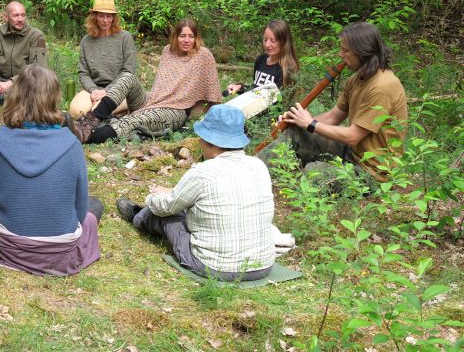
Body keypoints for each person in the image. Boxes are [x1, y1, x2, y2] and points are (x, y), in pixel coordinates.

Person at [0, 65, 103, 276]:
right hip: (61, 251)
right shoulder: (72, 144)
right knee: (94, 206)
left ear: (15, 96)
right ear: (53, 98)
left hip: (7, 248)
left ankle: (12, 241)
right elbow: (81, 212)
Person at [116, 104, 275, 282]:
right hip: (263, 265)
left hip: (215, 267)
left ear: (209, 141)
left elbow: (166, 207)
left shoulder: (203, 172)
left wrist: (153, 197)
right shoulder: (258, 165)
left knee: (167, 216)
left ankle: (138, 216)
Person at [259, 21, 407, 183]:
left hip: (373, 170)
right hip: (352, 152)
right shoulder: (357, 78)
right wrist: (298, 120)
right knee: (295, 132)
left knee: (312, 175)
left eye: (345, 50)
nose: (340, 55)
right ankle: (254, 171)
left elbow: (352, 136)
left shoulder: (382, 87)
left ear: (363, 52)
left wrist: (311, 123)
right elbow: (334, 116)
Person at [75, 18, 222, 144]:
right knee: (128, 78)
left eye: (191, 36)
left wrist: (201, 117)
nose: (187, 40)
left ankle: (88, 136)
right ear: (176, 36)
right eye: (183, 36)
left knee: (134, 119)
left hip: (176, 111)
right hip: (152, 101)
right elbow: (162, 86)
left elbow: (212, 91)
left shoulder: (203, 55)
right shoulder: (168, 51)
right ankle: (90, 121)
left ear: (196, 38)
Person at [68, 0, 145, 120]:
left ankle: (110, 113)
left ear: (114, 18)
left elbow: (128, 71)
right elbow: (83, 73)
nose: (105, 20)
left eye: (108, 16)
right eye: (101, 16)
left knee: (96, 110)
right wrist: (93, 91)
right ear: (95, 17)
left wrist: (107, 91)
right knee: (76, 112)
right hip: (93, 90)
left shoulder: (125, 37)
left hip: (120, 90)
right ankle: (109, 114)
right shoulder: (86, 41)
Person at [226, 19, 300, 95]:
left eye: (273, 40)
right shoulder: (261, 59)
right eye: (265, 39)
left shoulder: (287, 69)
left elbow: (283, 102)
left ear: (283, 42)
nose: (267, 44)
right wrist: (239, 87)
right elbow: (255, 90)